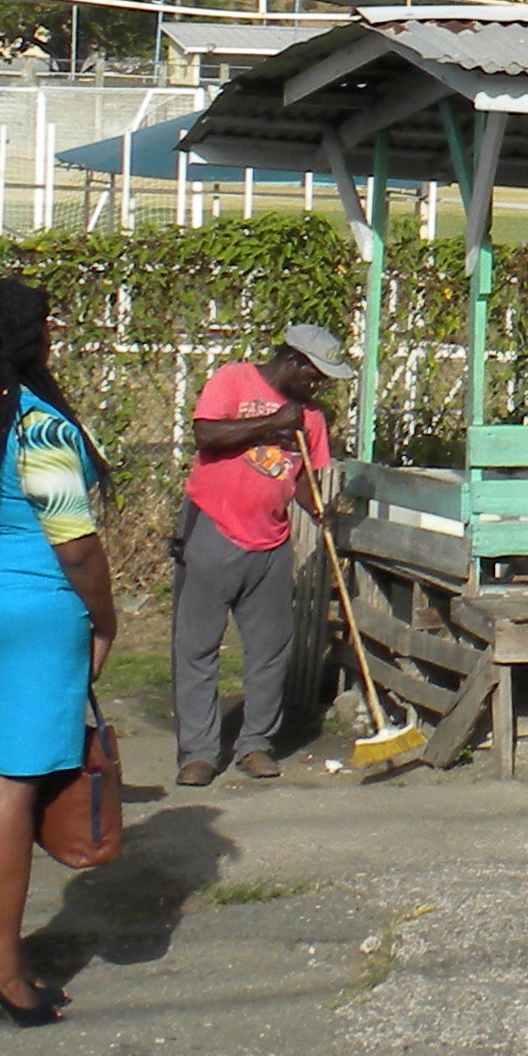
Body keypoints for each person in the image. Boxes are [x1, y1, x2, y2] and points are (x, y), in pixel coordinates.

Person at [0, 277, 116, 1029]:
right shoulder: (38, 428)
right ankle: (0, 960)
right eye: (49, 323)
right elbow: (75, 546)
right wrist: (103, 620)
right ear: (32, 337)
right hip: (31, 612)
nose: (56, 330)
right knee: (12, 780)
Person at [172, 323, 352, 787]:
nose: (318, 388)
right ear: (292, 361)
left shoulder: (311, 418)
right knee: (197, 648)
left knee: (271, 650)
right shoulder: (233, 379)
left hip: (271, 542)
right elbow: (205, 435)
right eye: (314, 377)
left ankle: (255, 744)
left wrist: (321, 510)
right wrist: (273, 424)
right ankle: (199, 752)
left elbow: (304, 482)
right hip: (212, 529)